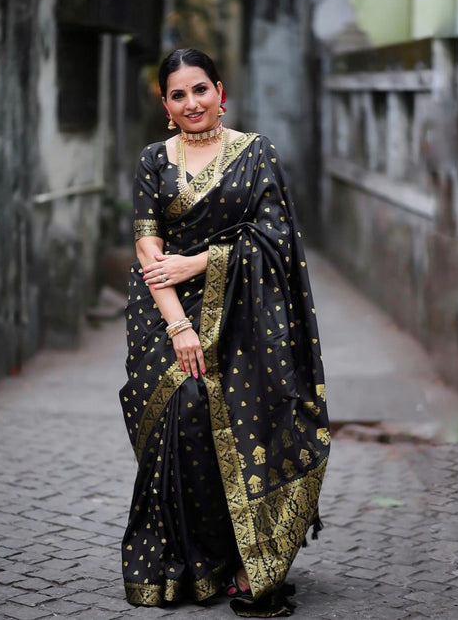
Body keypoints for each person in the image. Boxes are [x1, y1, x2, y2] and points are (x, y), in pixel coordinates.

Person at [118, 48, 330, 618]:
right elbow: (148, 248)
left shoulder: (255, 153)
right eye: (178, 95)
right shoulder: (152, 162)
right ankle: (192, 562)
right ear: (165, 105)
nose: (192, 103)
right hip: (167, 317)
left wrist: (201, 263)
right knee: (185, 407)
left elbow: (276, 241)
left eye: (200, 90)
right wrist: (180, 325)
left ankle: (250, 561)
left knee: (247, 423)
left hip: (247, 316)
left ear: (220, 91)